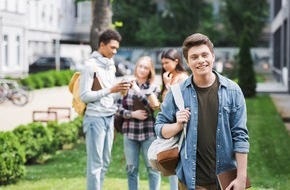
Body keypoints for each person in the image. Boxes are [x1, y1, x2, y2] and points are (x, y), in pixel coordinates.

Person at [154, 33, 250, 190]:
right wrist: (177, 125)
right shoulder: (177, 92)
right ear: (187, 62)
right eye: (194, 57)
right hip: (189, 181)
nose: (200, 60)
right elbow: (159, 128)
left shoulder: (233, 91)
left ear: (212, 56)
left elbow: (240, 136)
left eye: (205, 55)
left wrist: (241, 178)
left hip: (224, 181)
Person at [80, 29, 131, 190]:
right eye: (112, 48)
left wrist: (121, 91)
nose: (115, 51)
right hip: (95, 119)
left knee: (105, 161)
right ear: (102, 45)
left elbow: (110, 96)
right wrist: (111, 90)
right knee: (95, 164)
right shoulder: (90, 65)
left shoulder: (110, 66)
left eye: (117, 48)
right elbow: (85, 96)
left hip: (109, 117)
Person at [115, 56, 161, 190]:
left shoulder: (154, 87)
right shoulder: (125, 84)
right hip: (130, 133)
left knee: (152, 168)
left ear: (150, 71)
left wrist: (137, 90)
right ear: (136, 67)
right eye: (140, 66)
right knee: (131, 169)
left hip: (148, 133)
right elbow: (117, 108)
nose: (142, 69)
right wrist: (132, 114)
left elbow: (151, 106)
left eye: (145, 67)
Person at [160, 48, 188, 190]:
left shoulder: (183, 77)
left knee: (177, 159)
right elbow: (165, 102)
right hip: (171, 124)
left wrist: (168, 85)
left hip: (181, 123)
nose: (164, 66)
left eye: (167, 62)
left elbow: (178, 101)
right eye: (163, 63)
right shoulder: (170, 77)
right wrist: (167, 84)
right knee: (170, 159)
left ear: (176, 61)